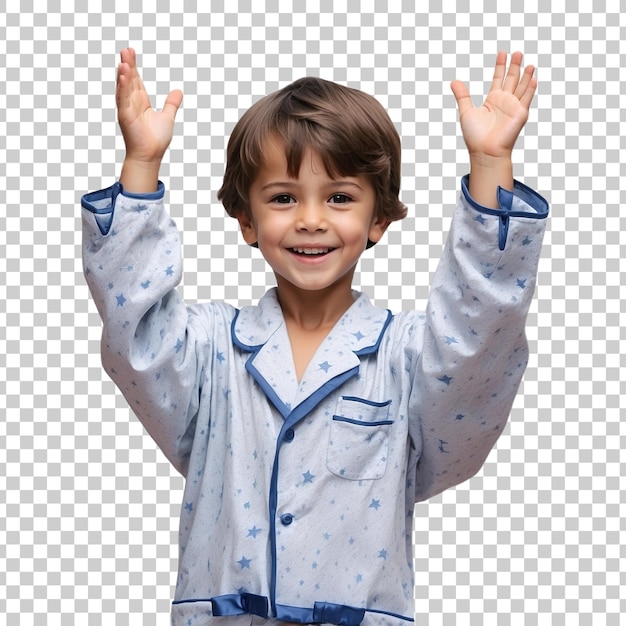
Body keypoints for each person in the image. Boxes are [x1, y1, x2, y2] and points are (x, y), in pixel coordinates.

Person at [81, 47, 549, 626]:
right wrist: (142, 164)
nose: (310, 218)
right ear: (246, 220)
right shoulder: (209, 352)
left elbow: (476, 344)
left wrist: (490, 164)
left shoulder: (404, 357)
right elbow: (136, 332)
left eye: (340, 197)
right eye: (283, 197)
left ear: (379, 218)